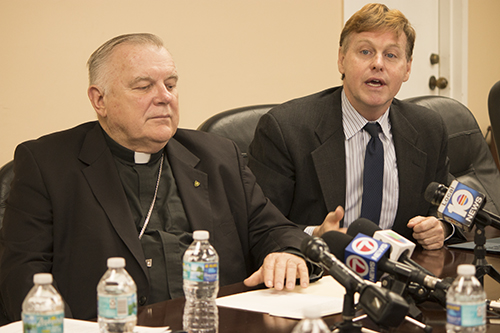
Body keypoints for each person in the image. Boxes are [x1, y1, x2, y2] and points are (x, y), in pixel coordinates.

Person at [0, 33, 316, 322]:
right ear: (100, 100)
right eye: (143, 86)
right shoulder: (48, 164)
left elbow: (274, 229)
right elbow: (23, 272)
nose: (164, 97)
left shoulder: (218, 157)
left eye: (171, 84)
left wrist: (285, 253)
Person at [248, 3, 463, 251]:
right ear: (341, 60)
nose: (378, 64)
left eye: (391, 55)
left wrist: (442, 227)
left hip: (396, 276)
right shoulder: (285, 129)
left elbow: (444, 204)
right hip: (317, 275)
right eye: (365, 52)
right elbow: (260, 225)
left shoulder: (428, 129)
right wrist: (314, 234)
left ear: (407, 68)